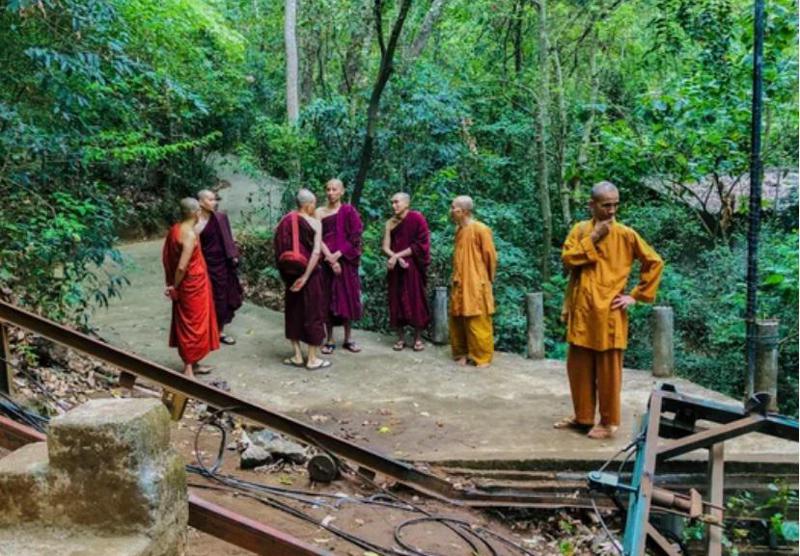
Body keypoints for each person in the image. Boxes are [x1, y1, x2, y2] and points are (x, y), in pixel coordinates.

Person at [555, 181, 664, 440]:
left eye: (616, 205)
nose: (612, 210)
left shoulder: (626, 234)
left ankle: (608, 422)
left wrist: (635, 296)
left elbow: (654, 261)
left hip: (609, 312)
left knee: (608, 372)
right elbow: (568, 260)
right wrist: (593, 239)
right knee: (578, 367)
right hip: (582, 309)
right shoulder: (580, 230)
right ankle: (582, 417)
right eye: (606, 205)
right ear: (591, 205)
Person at [162, 198, 220, 376]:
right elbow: (181, 266)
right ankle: (188, 367)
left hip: (195, 283)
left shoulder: (175, 229)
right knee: (193, 324)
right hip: (190, 285)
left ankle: (194, 363)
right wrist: (174, 286)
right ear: (195, 213)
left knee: (192, 321)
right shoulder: (188, 234)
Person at [274, 189, 331, 370]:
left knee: (294, 313)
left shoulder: (284, 221)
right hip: (310, 276)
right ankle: (312, 359)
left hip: (291, 274)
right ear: (308, 205)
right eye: (313, 204)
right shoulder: (315, 223)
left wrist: (287, 275)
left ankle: (297, 355)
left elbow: (278, 247)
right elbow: (316, 252)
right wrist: (306, 276)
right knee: (313, 313)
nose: (315, 207)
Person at [448, 195, 497, 368]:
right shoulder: (459, 230)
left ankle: (481, 356)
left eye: (454, 208)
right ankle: (462, 352)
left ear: (465, 211)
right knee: (458, 316)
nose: (451, 211)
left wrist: (486, 280)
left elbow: (490, 256)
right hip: (459, 281)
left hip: (476, 281)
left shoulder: (481, 229)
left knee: (477, 317)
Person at [316, 178, 363, 354]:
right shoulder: (319, 212)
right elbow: (317, 238)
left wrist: (339, 255)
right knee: (327, 299)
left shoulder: (349, 211)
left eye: (334, 189)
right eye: (328, 189)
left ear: (342, 192)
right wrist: (330, 257)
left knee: (347, 298)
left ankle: (348, 338)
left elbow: (355, 235)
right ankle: (329, 339)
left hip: (346, 262)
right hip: (326, 261)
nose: (330, 193)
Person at [382, 192, 431, 351]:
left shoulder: (417, 218)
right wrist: (394, 257)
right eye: (392, 202)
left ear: (406, 204)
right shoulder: (390, 223)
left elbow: (421, 244)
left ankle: (417, 338)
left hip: (412, 266)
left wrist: (397, 256)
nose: (393, 205)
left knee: (416, 300)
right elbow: (385, 247)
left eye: (397, 202)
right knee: (396, 300)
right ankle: (401, 338)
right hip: (395, 267)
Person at [195, 189, 243, 345]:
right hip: (204, 265)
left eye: (215, 199)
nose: (214, 202)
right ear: (201, 202)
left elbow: (229, 238)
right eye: (210, 200)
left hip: (222, 265)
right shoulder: (196, 222)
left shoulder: (221, 218)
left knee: (223, 298)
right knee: (205, 299)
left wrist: (233, 255)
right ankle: (206, 331)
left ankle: (220, 331)